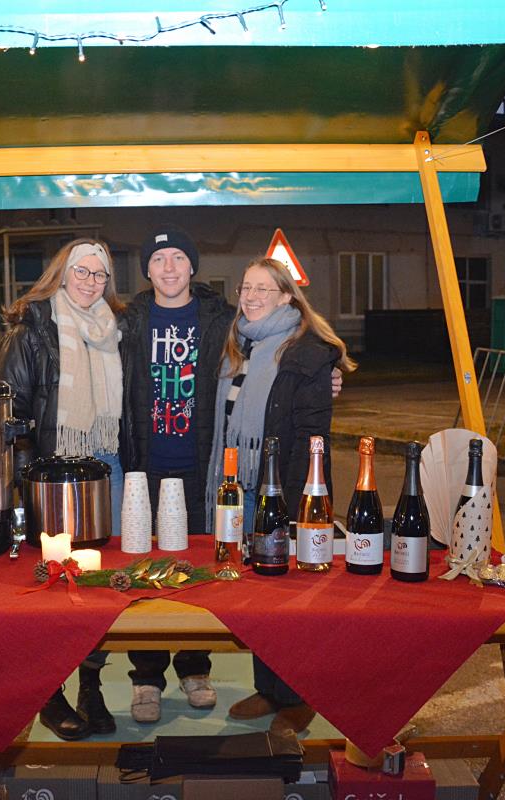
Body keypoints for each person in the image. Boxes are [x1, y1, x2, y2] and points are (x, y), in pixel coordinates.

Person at [205, 256, 356, 735]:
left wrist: (296, 508)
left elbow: (313, 437)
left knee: (290, 600)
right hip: (241, 488)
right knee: (256, 596)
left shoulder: (307, 352)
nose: (250, 297)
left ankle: (298, 697)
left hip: (280, 489)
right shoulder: (240, 344)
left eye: (263, 289)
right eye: (245, 288)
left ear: (287, 296)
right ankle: (269, 689)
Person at [0, 238, 125, 741]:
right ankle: (49, 693)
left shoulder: (116, 328)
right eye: (82, 271)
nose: (91, 282)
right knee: (52, 587)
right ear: (62, 273)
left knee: (101, 584)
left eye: (100, 274)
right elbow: (11, 411)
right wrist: (27, 481)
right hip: (50, 473)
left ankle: (91, 685)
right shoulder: (31, 327)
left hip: (106, 465)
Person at [119, 224, 236, 723]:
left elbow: (283, 342)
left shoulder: (222, 319)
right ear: (146, 270)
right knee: (142, 575)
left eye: (178, 258)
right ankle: (146, 678)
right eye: (158, 259)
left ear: (192, 266)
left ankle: (195, 668)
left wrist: (330, 369)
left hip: (199, 467)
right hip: (144, 468)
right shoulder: (128, 320)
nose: (169, 268)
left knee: (196, 574)